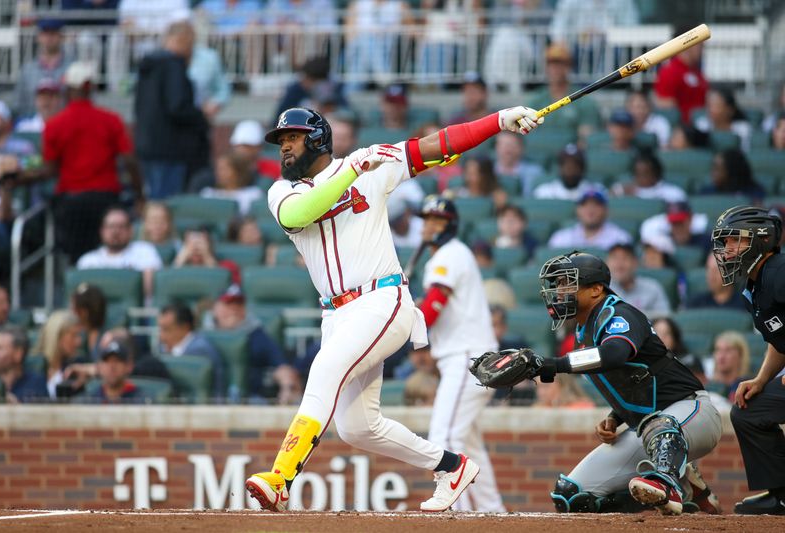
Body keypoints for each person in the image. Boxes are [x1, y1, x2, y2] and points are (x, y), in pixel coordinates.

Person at [245, 102, 543, 512]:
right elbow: (301, 214)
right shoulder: (283, 191)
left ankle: (281, 477)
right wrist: (354, 168)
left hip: (382, 298)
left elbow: (436, 145)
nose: (284, 148)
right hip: (335, 314)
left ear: (316, 139)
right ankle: (451, 467)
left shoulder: (372, 167)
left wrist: (499, 120)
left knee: (325, 368)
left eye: (292, 138)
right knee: (358, 428)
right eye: (281, 141)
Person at [503, 251, 721, 515]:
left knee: (660, 426)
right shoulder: (584, 331)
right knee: (571, 497)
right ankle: (689, 492)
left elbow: (615, 354)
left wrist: (552, 364)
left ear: (596, 289)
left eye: (568, 283)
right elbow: (635, 379)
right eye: (558, 284)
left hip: (693, 411)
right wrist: (615, 417)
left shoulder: (619, 313)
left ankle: (670, 481)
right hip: (648, 428)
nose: (560, 291)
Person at [416, 196, 506, 512]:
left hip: (467, 358)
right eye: (426, 219)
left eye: (436, 220)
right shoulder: (449, 254)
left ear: (449, 225)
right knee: (468, 445)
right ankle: (493, 513)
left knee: (445, 438)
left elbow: (434, 304)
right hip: (468, 357)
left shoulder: (451, 253)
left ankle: (460, 515)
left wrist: (407, 332)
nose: (428, 226)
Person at [710, 206, 785, 514]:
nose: (726, 250)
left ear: (761, 240)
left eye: (734, 241)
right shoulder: (753, 286)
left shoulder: (780, 270)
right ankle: (782, 496)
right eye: (724, 242)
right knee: (748, 411)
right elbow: (779, 341)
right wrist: (761, 379)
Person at [44, 61, 143, 263]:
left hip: (70, 202)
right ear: (91, 88)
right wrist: (139, 195)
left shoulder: (54, 124)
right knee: (110, 255)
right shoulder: (111, 120)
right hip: (105, 199)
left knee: (76, 260)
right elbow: (130, 160)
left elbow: (49, 169)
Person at [134, 20, 210, 199]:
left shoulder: (148, 67)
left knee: (154, 200)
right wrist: (201, 116)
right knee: (166, 205)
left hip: (146, 145)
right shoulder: (173, 65)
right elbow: (177, 107)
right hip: (169, 149)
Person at [210, 284, 302, 404]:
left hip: (247, 398)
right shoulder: (201, 332)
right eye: (228, 303)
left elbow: (282, 367)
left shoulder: (257, 335)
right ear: (215, 308)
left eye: (238, 304)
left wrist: (287, 386)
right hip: (207, 397)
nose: (234, 309)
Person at [77, 207, 163, 299]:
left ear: (130, 230)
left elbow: (150, 291)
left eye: (121, 226)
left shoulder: (145, 251)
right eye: (110, 226)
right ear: (102, 231)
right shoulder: (87, 261)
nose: (115, 232)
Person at [526, 43, 601, 140]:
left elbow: (586, 138)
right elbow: (527, 135)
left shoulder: (582, 99)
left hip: (570, 153)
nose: (556, 69)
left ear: (569, 67)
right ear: (546, 67)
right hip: (538, 153)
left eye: (561, 64)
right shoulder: (536, 99)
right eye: (551, 64)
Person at [158, 301, 225, 397]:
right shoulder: (164, 348)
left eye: (166, 330)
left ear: (185, 327)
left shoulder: (200, 350)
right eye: (160, 329)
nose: (161, 337)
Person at [15, 19, 71, 118]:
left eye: (53, 34)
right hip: (34, 123)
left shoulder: (72, 68)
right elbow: (20, 101)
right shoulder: (28, 69)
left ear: (61, 37)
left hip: (65, 122)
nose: (49, 38)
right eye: (45, 34)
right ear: (38, 37)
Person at [654, 27, 708, 124]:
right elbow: (668, 110)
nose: (702, 47)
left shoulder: (696, 71)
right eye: (699, 43)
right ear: (687, 44)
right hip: (684, 131)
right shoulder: (670, 72)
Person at [548, 189, 631, 250]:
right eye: (585, 205)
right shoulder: (561, 238)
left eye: (596, 205)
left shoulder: (620, 238)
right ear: (577, 210)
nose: (590, 209)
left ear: (606, 210)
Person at [606, 244, 671, 317]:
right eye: (615, 258)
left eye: (624, 258)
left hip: (647, 327)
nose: (619, 265)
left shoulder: (652, 287)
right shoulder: (602, 289)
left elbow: (664, 317)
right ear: (607, 263)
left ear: (635, 263)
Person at [0, 325, 48, 403]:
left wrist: (16, 406)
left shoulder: (36, 383)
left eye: (0, 349)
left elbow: (44, 412)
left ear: (18, 354)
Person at [35, 310, 84, 400]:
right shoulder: (34, 368)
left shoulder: (78, 367)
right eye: (74, 335)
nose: (79, 342)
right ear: (57, 337)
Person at [200, 151, 264, 216]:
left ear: (238, 171)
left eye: (224, 169)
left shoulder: (253, 194)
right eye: (218, 169)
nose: (218, 173)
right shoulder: (208, 194)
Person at [610, 152, 687, 203]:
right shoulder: (624, 189)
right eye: (637, 174)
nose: (640, 178)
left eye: (645, 173)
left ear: (656, 173)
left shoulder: (673, 193)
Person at [533, 144, 599, 201]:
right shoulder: (544, 192)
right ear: (560, 168)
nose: (570, 169)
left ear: (582, 169)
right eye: (566, 165)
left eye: (575, 165)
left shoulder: (595, 191)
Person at [694, 87, 752, 152]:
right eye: (709, 105)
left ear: (730, 110)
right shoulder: (702, 125)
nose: (711, 110)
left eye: (716, 106)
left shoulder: (743, 129)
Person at [640, 201, 711, 252]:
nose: (677, 228)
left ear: (690, 219)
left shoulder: (706, 242)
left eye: (680, 223)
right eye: (674, 223)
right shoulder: (663, 243)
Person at [699, 148, 764, 201]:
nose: (712, 173)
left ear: (731, 171)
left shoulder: (754, 194)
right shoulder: (706, 193)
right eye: (712, 167)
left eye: (717, 169)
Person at [705, 331, 750, 405]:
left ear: (740, 355)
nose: (721, 356)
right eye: (718, 350)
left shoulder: (747, 387)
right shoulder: (708, 386)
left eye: (728, 350)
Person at [493, 131, 543, 196]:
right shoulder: (488, 171)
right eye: (503, 144)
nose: (507, 149)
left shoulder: (535, 172)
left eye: (511, 145)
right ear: (496, 147)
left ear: (521, 148)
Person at [70, 283, 107, 358]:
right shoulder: (74, 334)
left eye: (73, 308)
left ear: (84, 312)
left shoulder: (107, 339)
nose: (71, 312)